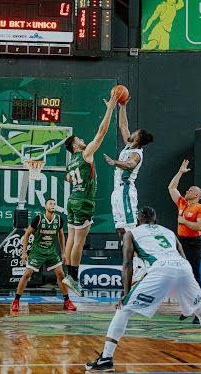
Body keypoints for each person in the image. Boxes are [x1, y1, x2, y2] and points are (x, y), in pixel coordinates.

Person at [85, 207, 201, 371]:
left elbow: (127, 264)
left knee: (124, 309)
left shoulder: (131, 233)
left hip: (161, 269)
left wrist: (126, 294)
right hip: (183, 268)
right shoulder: (168, 232)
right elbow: (183, 257)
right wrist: (185, 294)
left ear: (138, 220)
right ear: (155, 219)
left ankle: (106, 359)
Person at [62, 92, 118, 296]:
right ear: (75, 146)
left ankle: (69, 275)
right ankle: (74, 278)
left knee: (70, 239)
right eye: (79, 139)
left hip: (72, 201)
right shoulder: (85, 154)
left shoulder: (70, 163)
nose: (83, 140)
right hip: (84, 201)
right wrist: (110, 109)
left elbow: (68, 179)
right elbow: (101, 132)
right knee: (79, 241)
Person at [11, 198, 76, 312]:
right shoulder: (39, 218)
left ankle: (67, 301)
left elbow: (61, 235)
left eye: (54, 204)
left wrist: (63, 252)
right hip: (37, 251)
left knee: (61, 274)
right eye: (50, 203)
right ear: (45, 206)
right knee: (27, 274)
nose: (53, 205)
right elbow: (27, 234)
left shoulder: (59, 219)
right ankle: (16, 301)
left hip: (51, 252)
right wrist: (24, 252)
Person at [103, 100, 154, 239]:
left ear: (137, 138)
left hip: (126, 190)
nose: (132, 132)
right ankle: (127, 256)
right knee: (120, 228)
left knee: (130, 228)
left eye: (135, 132)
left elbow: (130, 164)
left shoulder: (136, 154)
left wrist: (115, 162)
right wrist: (122, 106)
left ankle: (136, 258)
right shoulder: (129, 145)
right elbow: (123, 125)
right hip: (117, 191)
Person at [168, 159, 201, 287]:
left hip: (193, 242)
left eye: (190, 191)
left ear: (196, 195)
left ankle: (198, 294)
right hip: (180, 240)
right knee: (178, 268)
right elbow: (172, 187)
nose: (186, 191)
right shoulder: (182, 203)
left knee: (193, 269)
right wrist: (180, 172)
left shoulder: (200, 208)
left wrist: (184, 221)